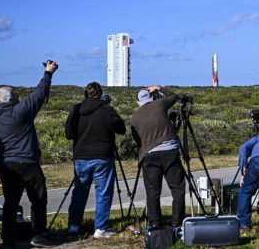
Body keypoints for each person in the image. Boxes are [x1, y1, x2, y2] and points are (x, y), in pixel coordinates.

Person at [0, 61, 58, 248]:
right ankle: (39, 235)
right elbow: (39, 94)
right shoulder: (20, 112)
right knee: (38, 199)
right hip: (27, 163)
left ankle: (8, 240)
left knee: (10, 203)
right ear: (11, 99)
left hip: (7, 166)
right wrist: (48, 73)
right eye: (16, 95)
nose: (18, 97)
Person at [64, 82, 126, 239]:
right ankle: (101, 228)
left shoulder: (76, 110)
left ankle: (74, 226)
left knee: (79, 192)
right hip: (102, 156)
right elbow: (121, 128)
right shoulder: (106, 109)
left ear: (86, 94)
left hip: (81, 157)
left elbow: (68, 133)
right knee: (103, 193)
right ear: (100, 93)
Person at [130, 85, 186, 229]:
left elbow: (137, 141)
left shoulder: (134, 117)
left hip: (149, 155)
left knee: (153, 191)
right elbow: (174, 97)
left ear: (138, 102)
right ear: (151, 97)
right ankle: (177, 223)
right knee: (177, 189)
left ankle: (155, 223)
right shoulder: (159, 104)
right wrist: (160, 88)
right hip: (169, 153)